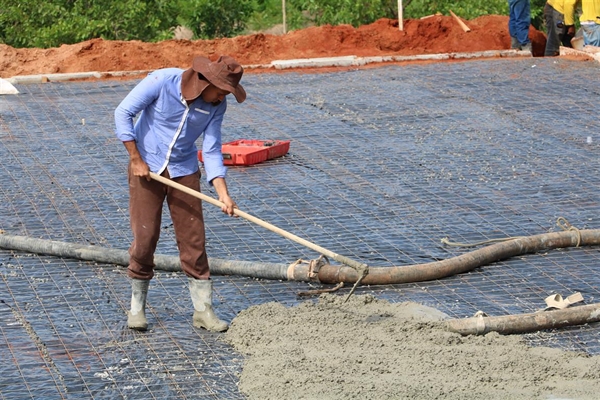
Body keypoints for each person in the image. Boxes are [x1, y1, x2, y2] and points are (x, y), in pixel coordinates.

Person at [114, 55, 246, 332]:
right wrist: (136, 159)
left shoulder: (215, 105)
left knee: (193, 239)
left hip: (184, 169)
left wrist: (223, 193)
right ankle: (137, 308)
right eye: (221, 91)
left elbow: (210, 149)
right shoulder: (162, 81)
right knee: (145, 237)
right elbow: (123, 112)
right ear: (205, 82)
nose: (222, 98)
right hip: (146, 167)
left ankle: (203, 311)